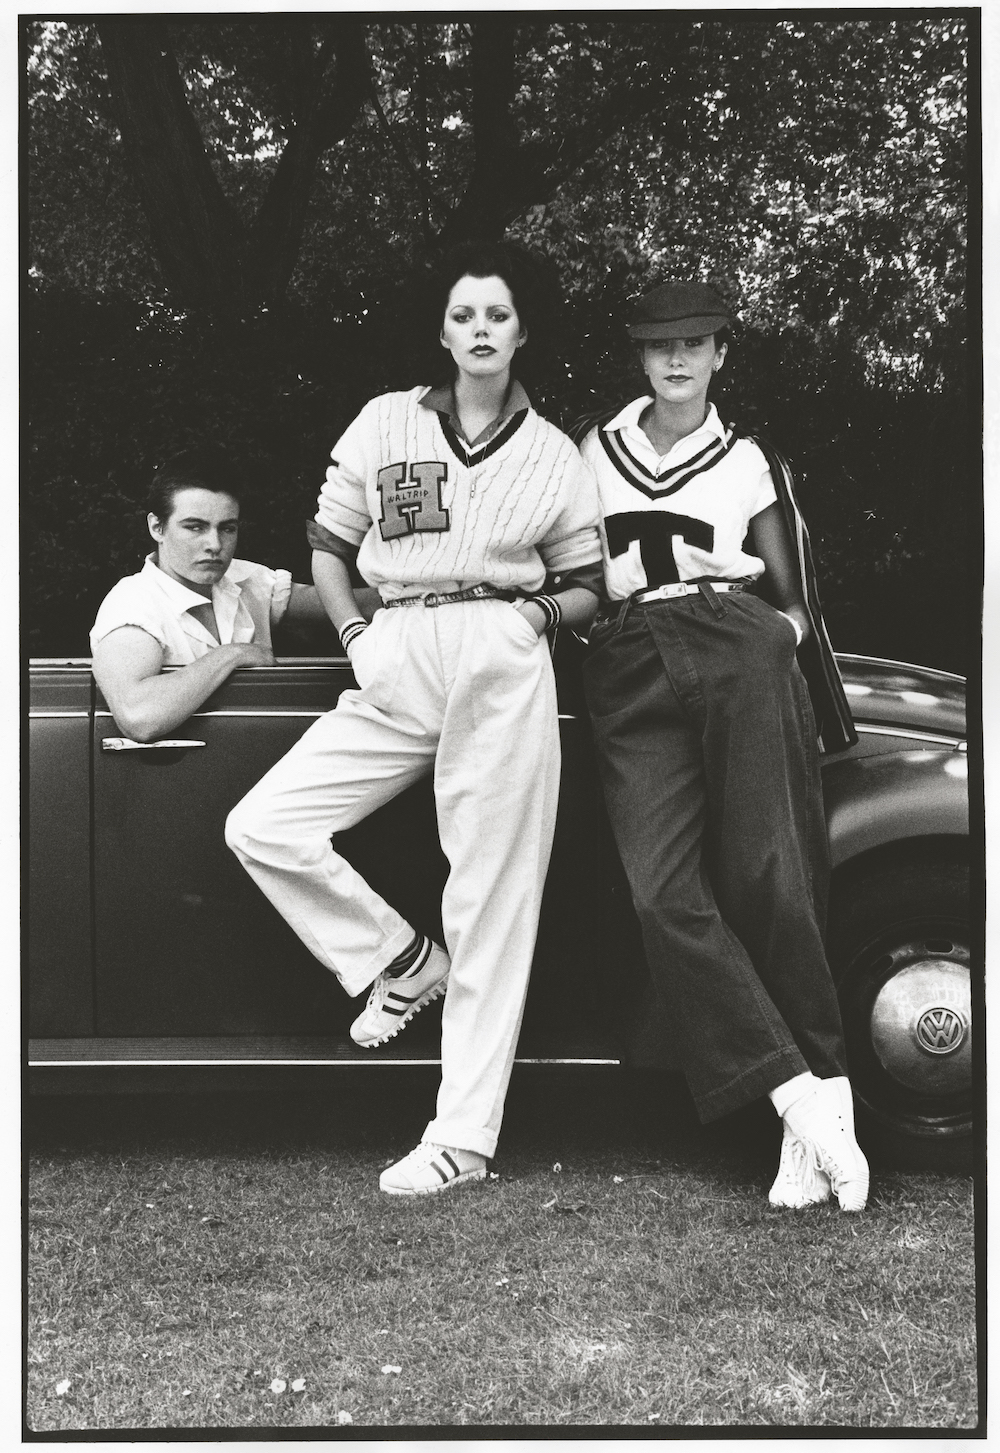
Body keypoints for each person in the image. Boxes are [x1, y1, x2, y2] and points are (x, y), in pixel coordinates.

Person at [225, 241, 603, 1197]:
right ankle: (397, 957)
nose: (481, 330)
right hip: (395, 643)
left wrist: (528, 621)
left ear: (523, 332)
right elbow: (326, 545)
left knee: (491, 898)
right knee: (265, 822)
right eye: (464, 315)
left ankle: (462, 1137)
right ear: (442, 330)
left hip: (501, 656)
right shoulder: (387, 421)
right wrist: (355, 632)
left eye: (499, 315)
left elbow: (590, 581)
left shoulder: (556, 453)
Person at [578, 281, 869, 1212]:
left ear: (718, 355)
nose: (676, 360)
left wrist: (768, 642)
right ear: (640, 354)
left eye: (695, 345)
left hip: (733, 644)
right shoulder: (595, 448)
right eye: (660, 345)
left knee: (770, 874)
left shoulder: (747, 458)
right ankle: (806, 1096)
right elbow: (571, 563)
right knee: (660, 890)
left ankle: (806, 1129)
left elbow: (793, 596)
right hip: (630, 654)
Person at [91, 449, 330, 742]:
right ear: (157, 527)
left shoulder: (245, 580)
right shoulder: (134, 603)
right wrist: (234, 654)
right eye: (195, 527)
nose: (215, 544)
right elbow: (138, 717)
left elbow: (343, 602)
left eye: (227, 528)